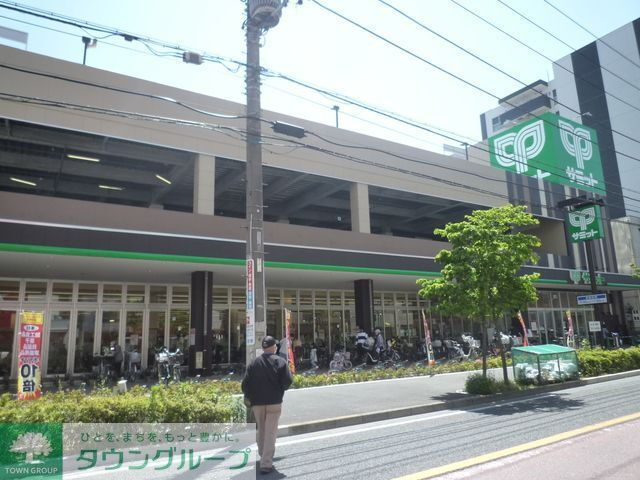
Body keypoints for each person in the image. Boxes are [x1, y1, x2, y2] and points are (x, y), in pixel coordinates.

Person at [241, 336, 292, 474]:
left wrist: (250, 396)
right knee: (270, 432)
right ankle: (266, 463)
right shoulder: (280, 361)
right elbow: (287, 382)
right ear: (274, 347)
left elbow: (245, 385)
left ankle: (263, 453)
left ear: (263, 348)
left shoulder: (254, 363)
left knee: (261, 429)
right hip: (274, 402)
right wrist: (279, 389)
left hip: (257, 403)